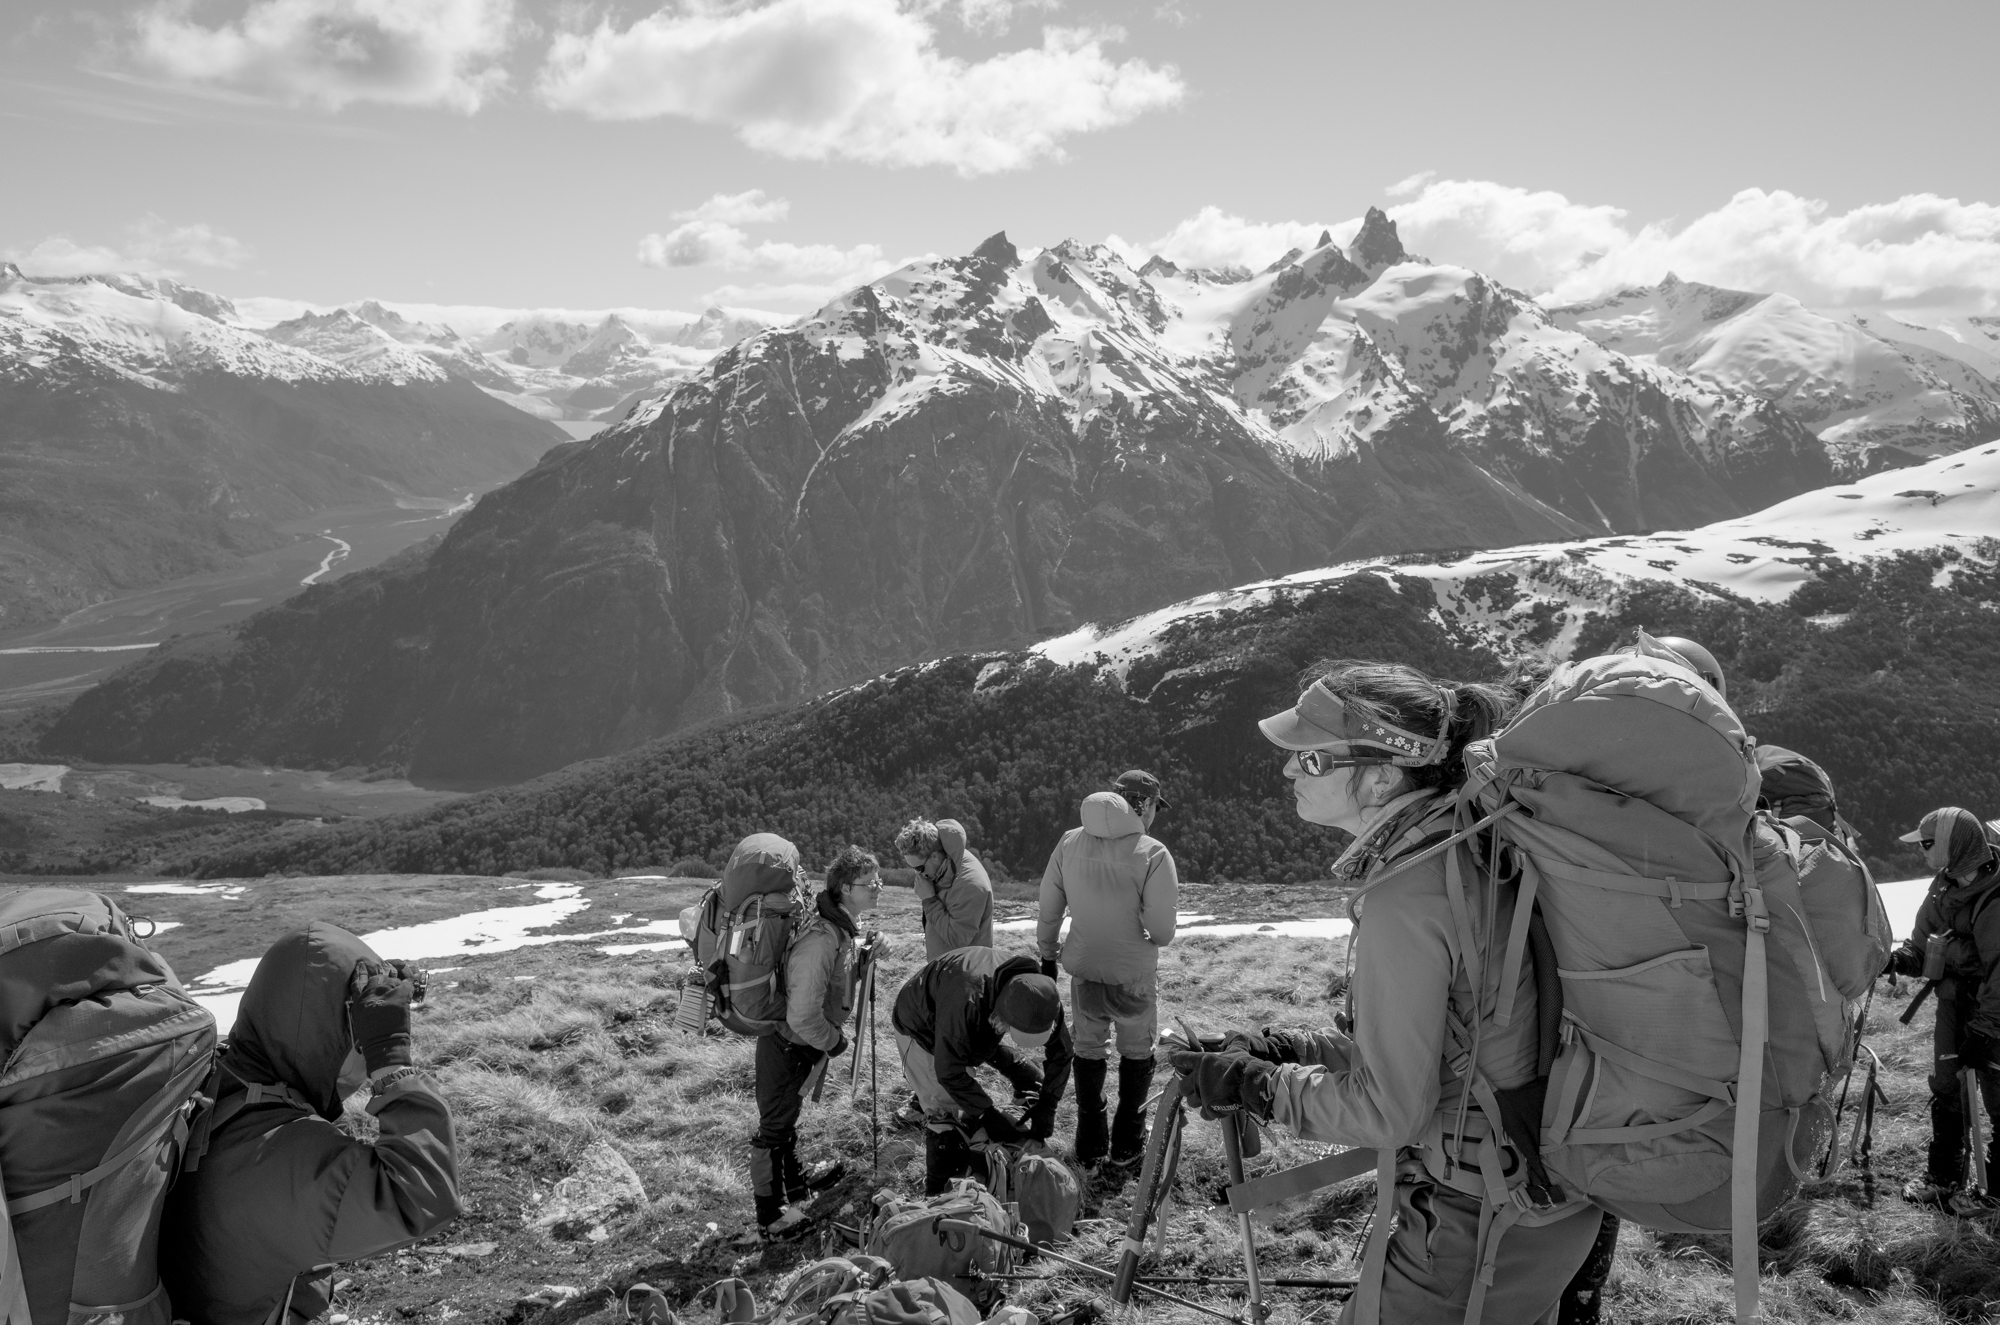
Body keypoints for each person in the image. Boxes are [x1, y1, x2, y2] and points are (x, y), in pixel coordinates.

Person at [1165, 661, 1602, 1325]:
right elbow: (1455, 1046)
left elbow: (1389, 1110)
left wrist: (1262, 1085)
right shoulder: (1465, 851)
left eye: (1311, 759)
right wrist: (1281, 1048)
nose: (1288, 770)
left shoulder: (1411, 891)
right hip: (1534, 1203)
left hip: (1475, 1222)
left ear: (1381, 773)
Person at [161, 923, 459, 1325]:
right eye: (358, 1038)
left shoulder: (221, 1084)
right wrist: (389, 1061)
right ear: (326, 1035)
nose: (361, 1055)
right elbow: (423, 1197)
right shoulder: (280, 1152)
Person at [1038, 768, 1179, 1175]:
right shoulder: (1152, 853)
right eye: (1155, 806)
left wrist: (1048, 953)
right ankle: (1126, 1146)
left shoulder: (1069, 841)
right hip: (1132, 973)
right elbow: (1163, 932)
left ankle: (1089, 1144)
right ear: (1147, 805)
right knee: (1136, 1054)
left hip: (1084, 969)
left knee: (1088, 1050)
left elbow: (1049, 907)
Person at [749, 844, 883, 1239]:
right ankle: (771, 1216)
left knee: (785, 1116)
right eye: (869, 882)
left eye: (879, 879)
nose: (878, 887)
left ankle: (794, 1185)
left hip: (796, 1044)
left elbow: (833, 985)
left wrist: (865, 958)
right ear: (843, 888)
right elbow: (802, 1015)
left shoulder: (838, 928)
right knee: (773, 1127)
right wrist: (835, 1043)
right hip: (788, 1043)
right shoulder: (822, 938)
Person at [887, 818, 1040, 1123]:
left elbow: (959, 938)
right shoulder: (944, 868)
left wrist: (929, 899)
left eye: (919, 868)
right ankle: (1028, 1078)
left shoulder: (970, 882)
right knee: (970, 1040)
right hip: (947, 971)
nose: (918, 876)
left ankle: (939, 1107)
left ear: (935, 855)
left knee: (952, 1041)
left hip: (967, 976)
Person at [1888, 806, 2000, 1210]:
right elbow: (1921, 944)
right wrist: (1900, 960)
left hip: (1995, 1014)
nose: (1922, 850)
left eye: (1929, 843)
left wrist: (1986, 1032)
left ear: (1953, 845)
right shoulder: (1943, 886)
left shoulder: (1995, 897)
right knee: (1947, 1087)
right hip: (1954, 1006)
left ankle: (1996, 1193)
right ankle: (1944, 1177)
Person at [891, 948, 1073, 1194]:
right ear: (1001, 1013)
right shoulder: (966, 1000)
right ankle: (936, 1195)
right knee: (943, 1106)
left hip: (971, 1016)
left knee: (986, 1050)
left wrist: (1049, 1103)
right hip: (921, 1023)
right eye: (1010, 1029)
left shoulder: (1044, 998)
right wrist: (986, 1113)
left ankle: (1021, 1098)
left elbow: (1061, 1052)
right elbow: (949, 1071)